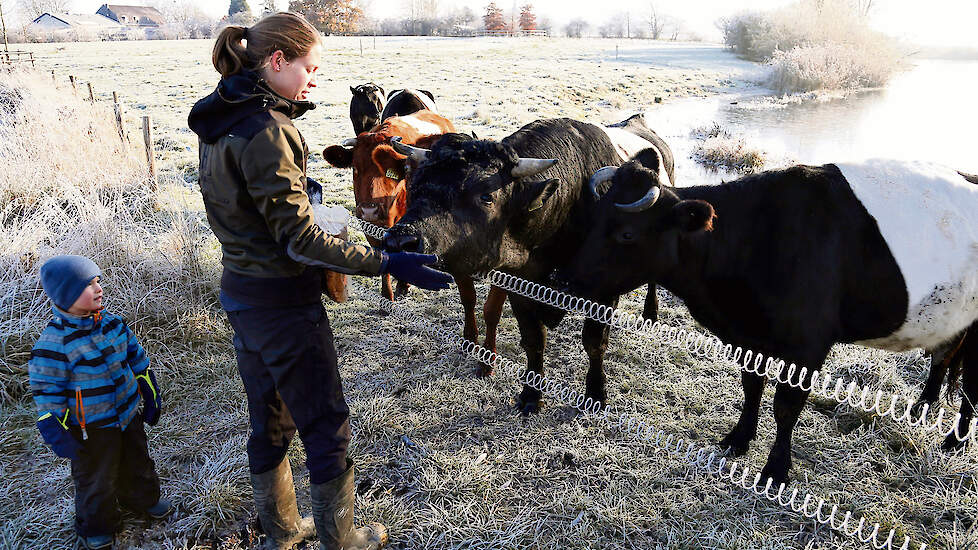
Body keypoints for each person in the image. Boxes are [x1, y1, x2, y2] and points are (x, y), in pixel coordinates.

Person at [187, 12, 453, 550]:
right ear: (277, 61)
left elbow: (239, 206)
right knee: (326, 422)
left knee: (269, 419)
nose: (314, 79)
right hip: (284, 302)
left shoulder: (221, 118)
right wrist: (384, 263)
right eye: (309, 67)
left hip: (242, 291)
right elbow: (299, 239)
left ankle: (282, 532)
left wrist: (297, 192)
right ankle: (341, 537)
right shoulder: (268, 130)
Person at [29, 255, 171, 550]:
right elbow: (47, 391)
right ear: (66, 295)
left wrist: (148, 388)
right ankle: (96, 525)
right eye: (87, 285)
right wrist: (55, 426)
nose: (98, 288)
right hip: (90, 427)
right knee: (96, 478)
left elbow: (136, 357)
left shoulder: (113, 324)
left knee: (138, 461)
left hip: (127, 412)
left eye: (98, 281)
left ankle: (143, 499)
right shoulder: (54, 345)